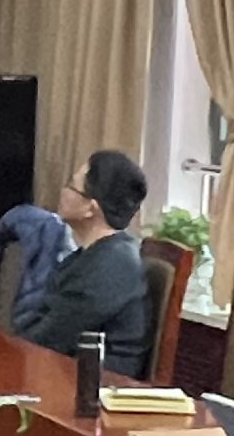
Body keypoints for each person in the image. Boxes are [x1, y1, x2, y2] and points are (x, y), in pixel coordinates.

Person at [13, 150, 154, 370]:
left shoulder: (110, 266)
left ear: (91, 208)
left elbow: (48, 339)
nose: (64, 192)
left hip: (96, 382)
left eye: (71, 185)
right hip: (64, 369)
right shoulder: (97, 254)